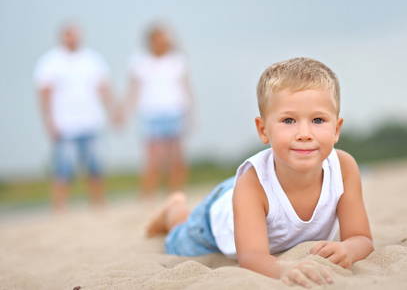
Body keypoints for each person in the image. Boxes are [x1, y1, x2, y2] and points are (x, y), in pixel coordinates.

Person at [146, 57, 374, 287]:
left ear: (336, 129)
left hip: (247, 193)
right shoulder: (252, 185)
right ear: (263, 130)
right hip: (218, 218)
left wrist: (348, 249)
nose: (304, 133)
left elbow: (361, 237)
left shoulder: (344, 169)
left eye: (318, 120)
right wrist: (284, 268)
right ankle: (172, 211)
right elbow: (251, 257)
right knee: (183, 234)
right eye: (288, 120)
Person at [34, 22, 117, 212]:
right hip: (65, 125)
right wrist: (49, 121)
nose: (72, 39)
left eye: (75, 35)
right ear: (62, 37)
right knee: (62, 170)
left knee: (95, 168)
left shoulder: (93, 59)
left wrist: (113, 111)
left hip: (91, 121)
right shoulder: (50, 62)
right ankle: (59, 209)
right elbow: (44, 94)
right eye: (68, 35)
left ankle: (99, 207)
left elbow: (104, 88)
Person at [123, 23, 196, 199]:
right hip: (151, 113)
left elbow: (186, 88)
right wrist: (125, 111)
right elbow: (133, 90)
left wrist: (191, 113)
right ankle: (147, 195)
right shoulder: (139, 61)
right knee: (153, 158)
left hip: (175, 111)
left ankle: (176, 193)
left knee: (176, 157)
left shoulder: (177, 60)